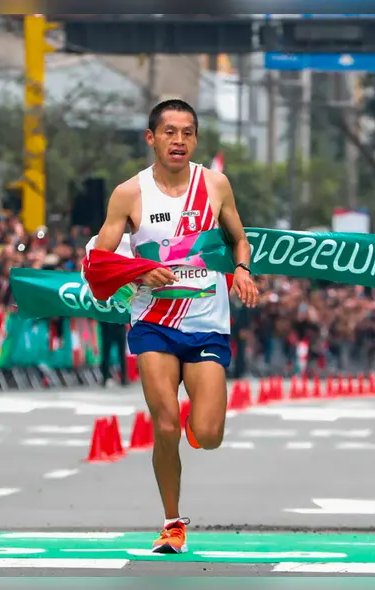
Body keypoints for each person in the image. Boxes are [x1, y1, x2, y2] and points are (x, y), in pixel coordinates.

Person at [93, 99, 259, 554]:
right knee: (164, 423)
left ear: (195, 139)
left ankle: (196, 427)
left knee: (208, 435)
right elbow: (99, 261)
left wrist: (242, 270)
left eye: (187, 132)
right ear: (151, 138)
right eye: (169, 132)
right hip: (153, 321)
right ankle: (172, 523)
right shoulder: (130, 194)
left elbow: (238, 238)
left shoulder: (215, 184)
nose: (178, 140)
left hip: (206, 323)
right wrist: (137, 272)